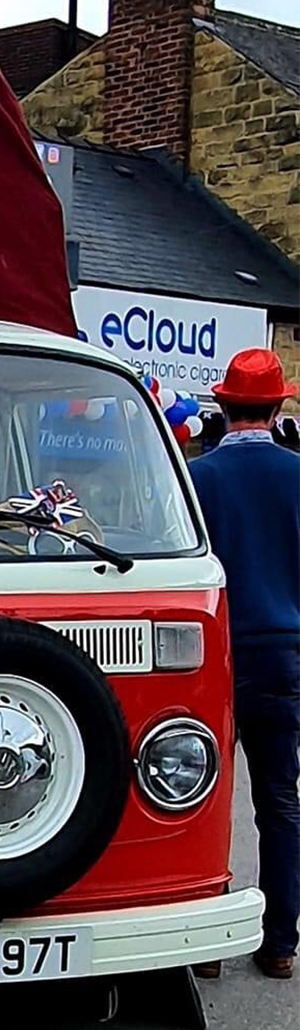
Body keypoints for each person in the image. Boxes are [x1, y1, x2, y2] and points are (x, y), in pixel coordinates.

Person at [189, 348, 300, 980]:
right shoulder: (297, 474)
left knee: (203, 793)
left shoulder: (198, 478)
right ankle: (280, 941)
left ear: (223, 405)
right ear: (278, 405)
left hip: (213, 652)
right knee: (280, 799)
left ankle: (205, 939)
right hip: (283, 651)